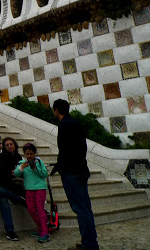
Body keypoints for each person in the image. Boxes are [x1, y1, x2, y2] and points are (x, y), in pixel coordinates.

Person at [52, 99, 99, 250]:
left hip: (71, 171)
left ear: (56, 110)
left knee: (81, 208)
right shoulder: (76, 123)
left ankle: (89, 245)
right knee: (85, 208)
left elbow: (64, 149)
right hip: (80, 169)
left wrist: (60, 166)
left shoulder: (64, 125)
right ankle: (90, 242)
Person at [14, 143, 49, 243]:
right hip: (29, 189)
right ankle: (41, 228)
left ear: (34, 154)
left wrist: (35, 169)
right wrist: (21, 167)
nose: (29, 156)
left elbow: (45, 174)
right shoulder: (21, 162)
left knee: (40, 208)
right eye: (27, 154)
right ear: (24, 154)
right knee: (31, 209)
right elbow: (16, 174)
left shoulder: (39, 161)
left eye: (31, 154)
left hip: (40, 188)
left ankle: (45, 232)